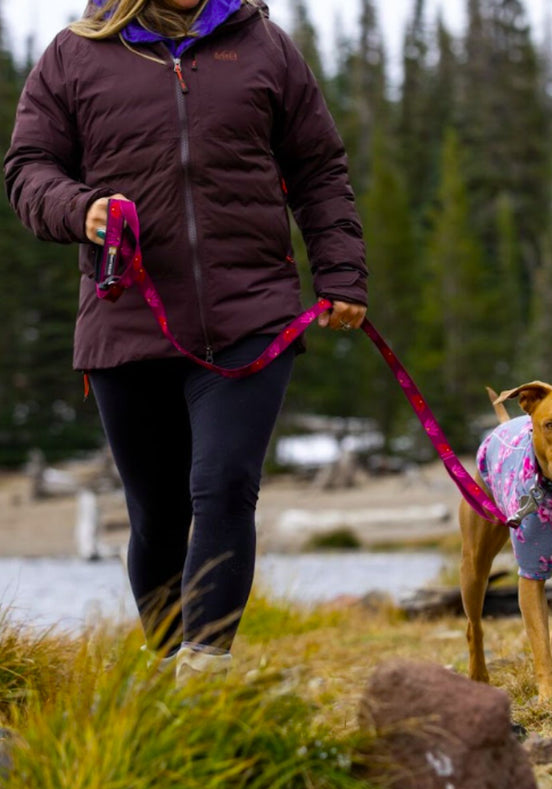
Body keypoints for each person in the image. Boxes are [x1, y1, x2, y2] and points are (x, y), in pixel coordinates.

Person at [4, 0, 368, 684]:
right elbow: (27, 169)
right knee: (158, 515)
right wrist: (81, 210)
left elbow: (318, 167)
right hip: (124, 317)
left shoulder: (264, 45)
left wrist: (342, 272)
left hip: (250, 312)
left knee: (225, 486)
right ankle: (168, 667)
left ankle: (203, 675)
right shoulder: (75, 54)